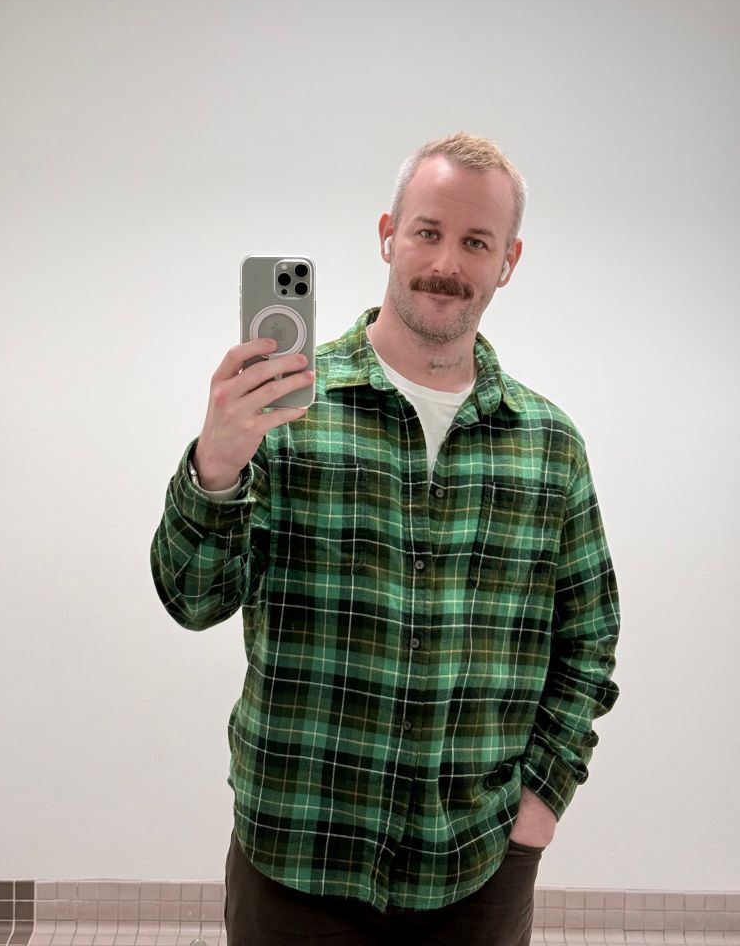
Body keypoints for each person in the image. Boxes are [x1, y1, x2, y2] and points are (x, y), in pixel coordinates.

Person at [150, 132, 620, 946]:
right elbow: (192, 600)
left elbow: (588, 642)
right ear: (386, 235)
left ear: (507, 261)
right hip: (295, 855)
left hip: (473, 868)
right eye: (427, 231)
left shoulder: (550, 444)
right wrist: (217, 463)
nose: (447, 261)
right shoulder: (284, 413)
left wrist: (539, 807)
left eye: (476, 242)